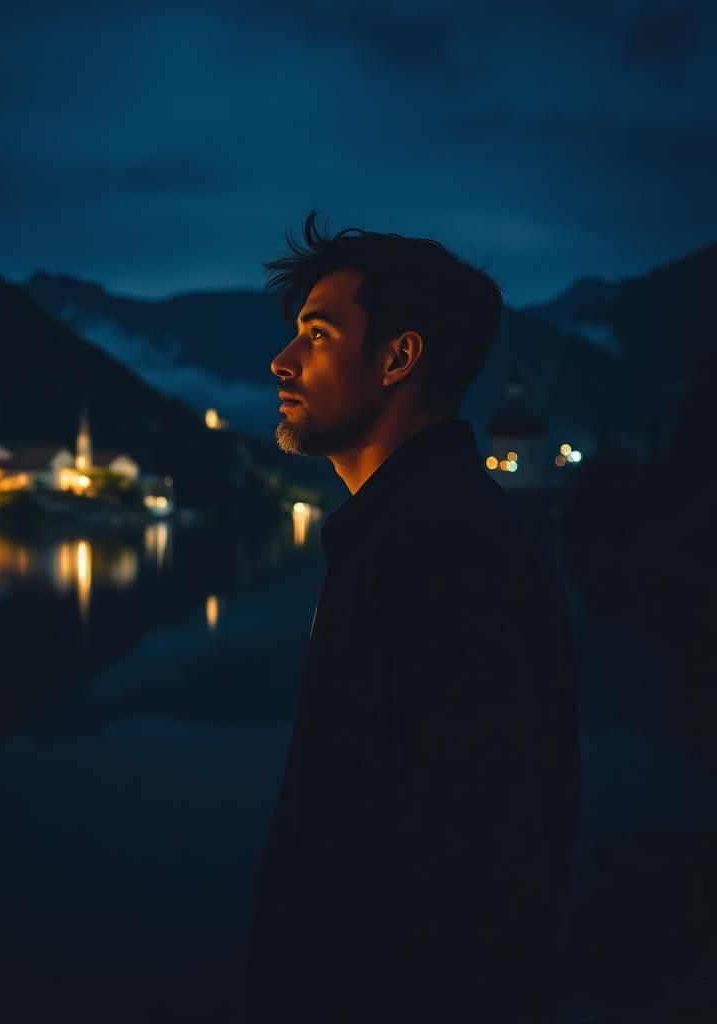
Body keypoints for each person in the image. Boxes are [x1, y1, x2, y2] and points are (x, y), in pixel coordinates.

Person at [243, 212, 581, 1022]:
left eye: (317, 335)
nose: (281, 360)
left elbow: (471, 862)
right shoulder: (413, 531)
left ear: (398, 358)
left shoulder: (440, 552)